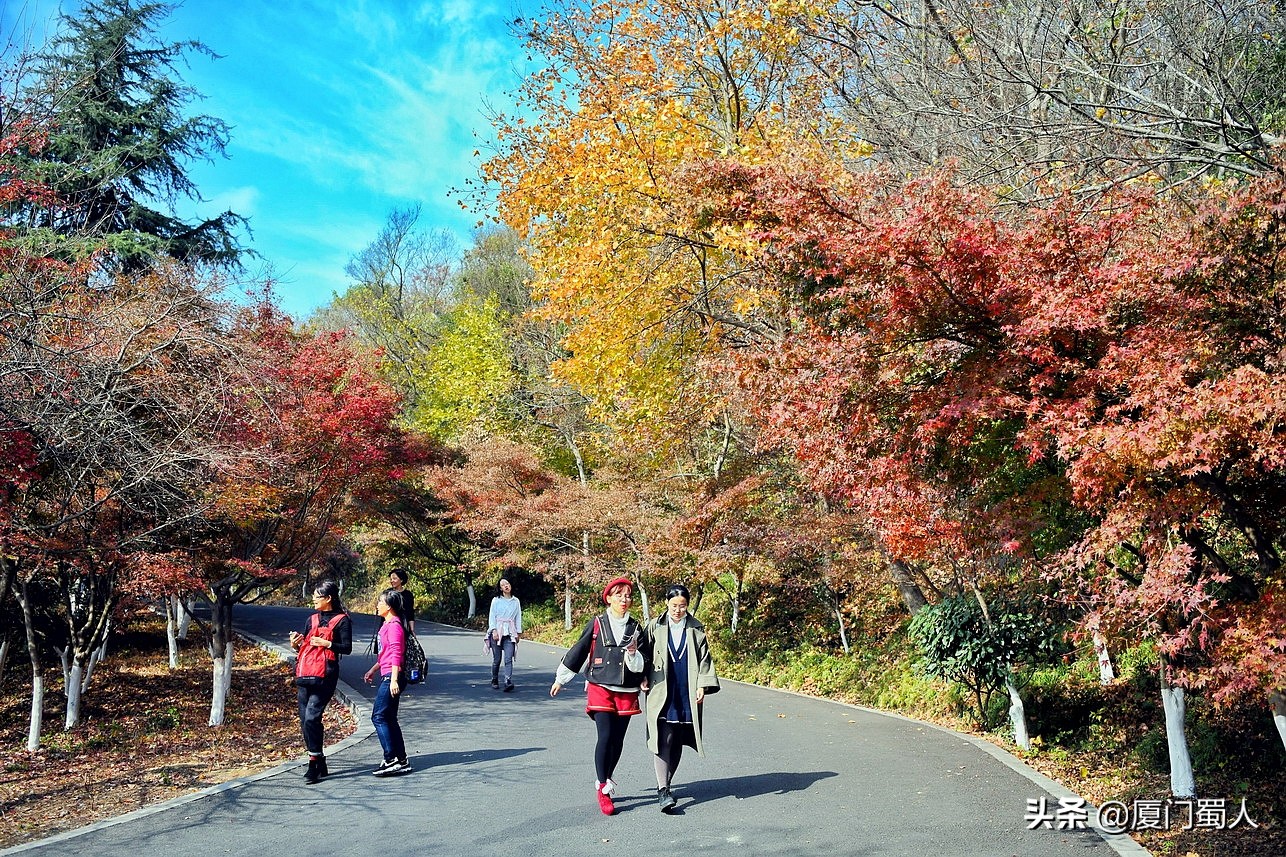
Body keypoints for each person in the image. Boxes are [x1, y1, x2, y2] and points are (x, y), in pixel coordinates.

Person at [550, 576, 645, 816]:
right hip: (600, 685)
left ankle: (608, 776)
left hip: (626, 688)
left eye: (627, 595)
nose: (624, 599)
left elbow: (643, 663)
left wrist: (634, 655)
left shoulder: (635, 627)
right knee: (605, 736)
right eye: (619, 595)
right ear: (609, 598)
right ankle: (602, 787)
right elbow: (579, 651)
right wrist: (561, 679)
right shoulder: (597, 623)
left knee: (618, 740)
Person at [640, 584, 720, 813]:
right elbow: (644, 654)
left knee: (678, 737)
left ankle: (666, 784)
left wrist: (703, 685)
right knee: (663, 736)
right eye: (674, 605)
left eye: (682, 606)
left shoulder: (696, 628)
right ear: (666, 603)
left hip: (686, 688)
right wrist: (643, 677)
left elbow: (705, 659)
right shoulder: (655, 626)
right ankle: (663, 789)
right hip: (661, 687)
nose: (678, 610)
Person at [289, 580, 353, 784]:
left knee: (311, 718)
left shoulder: (342, 620)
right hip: (305, 674)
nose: (313, 600)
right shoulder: (311, 619)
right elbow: (305, 650)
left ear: (328, 598)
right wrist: (294, 645)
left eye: (317, 596)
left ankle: (313, 764)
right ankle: (318, 759)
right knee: (304, 721)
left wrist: (327, 643)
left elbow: (347, 648)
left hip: (325, 676)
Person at [363, 588, 412, 776]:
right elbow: (386, 654)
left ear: (389, 606)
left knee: (379, 716)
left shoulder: (394, 626)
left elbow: (397, 655)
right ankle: (401, 759)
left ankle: (391, 759)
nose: (377, 605)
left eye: (380, 602)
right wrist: (373, 670)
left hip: (393, 676)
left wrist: (393, 680)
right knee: (389, 718)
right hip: (388, 674)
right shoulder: (386, 625)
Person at [487, 576, 523, 691]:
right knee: (497, 659)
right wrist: (493, 630)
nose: (506, 586)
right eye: (503, 585)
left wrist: (518, 632)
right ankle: (494, 678)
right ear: (500, 588)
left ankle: (508, 681)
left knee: (508, 658)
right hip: (498, 631)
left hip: (510, 632)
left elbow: (518, 617)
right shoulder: (496, 600)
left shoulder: (516, 601)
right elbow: (492, 616)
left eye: (507, 583)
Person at [388, 568, 415, 632]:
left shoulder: (408, 595)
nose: (392, 581)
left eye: (394, 578)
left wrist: (412, 629)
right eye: (391, 579)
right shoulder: (387, 593)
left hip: (404, 626)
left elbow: (410, 613)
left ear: (401, 580)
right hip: (388, 626)